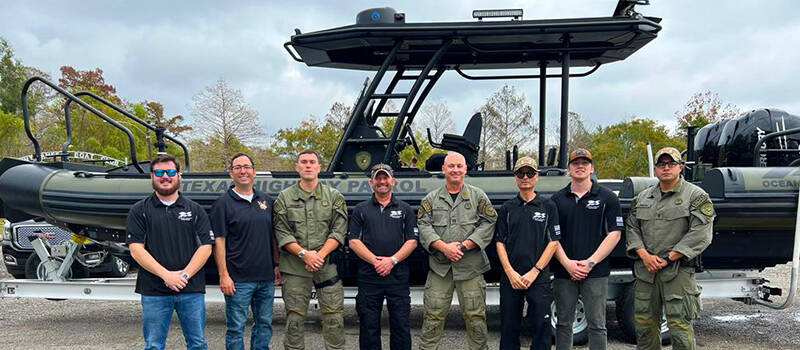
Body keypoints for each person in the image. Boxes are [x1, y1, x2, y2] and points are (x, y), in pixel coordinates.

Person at [626, 147, 714, 350]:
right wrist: (644, 255)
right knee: (645, 326)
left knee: (679, 326)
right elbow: (632, 228)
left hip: (678, 273)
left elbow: (700, 232)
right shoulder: (642, 198)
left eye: (671, 164)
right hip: (646, 272)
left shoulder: (696, 196)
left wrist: (668, 258)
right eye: (661, 164)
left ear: (680, 167)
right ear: (655, 169)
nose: (666, 168)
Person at [125, 154, 214, 350]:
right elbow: (136, 249)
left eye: (170, 172)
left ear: (178, 175)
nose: (165, 176)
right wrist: (166, 275)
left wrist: (183, 275)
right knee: (154, 345)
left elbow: (206, 247)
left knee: (198, 344)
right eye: (159, 172)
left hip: (191, 289)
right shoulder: (139, 210)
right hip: (154, 291)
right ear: (152, 177)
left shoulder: (195, 210)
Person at [417, 151, 497, 350]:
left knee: (475, 317)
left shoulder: (478, 196)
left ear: (465, 169)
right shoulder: (431, 199)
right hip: (440, 268)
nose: (455, 170)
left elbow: (489, 222)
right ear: (443, 169)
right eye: (451, 166)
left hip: (470, 267)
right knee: (432, 317)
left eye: (459, 166)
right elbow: (423, 226)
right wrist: (443, 247)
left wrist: (464, 245)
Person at [273, 150, 348, 350]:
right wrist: (304, 254)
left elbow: (339, 230)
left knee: (334, 318)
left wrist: (319, 255)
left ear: (319, 167)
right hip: (295, 266)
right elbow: (282, 231)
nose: (308, 166)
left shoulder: (334, 196)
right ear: (297, 167)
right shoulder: (284, 198)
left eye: (312, 162)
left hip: (327, 266)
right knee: (295, 320)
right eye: (303, 162)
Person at [551, 149, 623, 350]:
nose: (580, 166)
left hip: (596, 272)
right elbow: (552, 238)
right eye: (575, 163)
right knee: (564, 323)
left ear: (592, 168)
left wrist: (590, 262)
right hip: (564, 272)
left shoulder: (607, 198)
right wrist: (567, 264)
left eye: (585, 162)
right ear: (568, 169)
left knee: (597, 325)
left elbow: (615, 234)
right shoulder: (556, 200)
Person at [211, 153, 280, 350]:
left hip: (265, 278)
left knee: (264, 325)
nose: (243, 171)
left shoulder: (266, 201)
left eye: (247, 167)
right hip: (238, 280)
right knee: (236, 328)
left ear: (254, 172)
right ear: (231, 173)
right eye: (238, 167)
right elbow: (219, 241)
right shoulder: (223, 204)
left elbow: (272, 236)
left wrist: (276, 265)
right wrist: (224, 275)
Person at [347, 163, 418, 350]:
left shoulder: (405, 209)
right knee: (369, 327)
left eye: (385, 177)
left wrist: (392, 261)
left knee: (401, 326)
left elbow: (412, 241)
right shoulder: (361, 209)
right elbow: (353, 241)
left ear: (393, 181)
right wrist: (375, 261)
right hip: (369, 276)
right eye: (378, 178)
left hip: (398, 275)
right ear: (371, 182)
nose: (382, 182)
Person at [495, 156, 561, 350]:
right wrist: (510, 272)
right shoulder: (507, 208)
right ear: (515, 177)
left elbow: (553, 242)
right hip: (511, 277)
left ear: (536, 177)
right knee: (509, 325)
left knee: (541, 324)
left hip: (538, 277)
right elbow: (500, 242)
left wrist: (535, 271)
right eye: (521, 173)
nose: (525, 177)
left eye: (530, 173)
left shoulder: (548, 206)